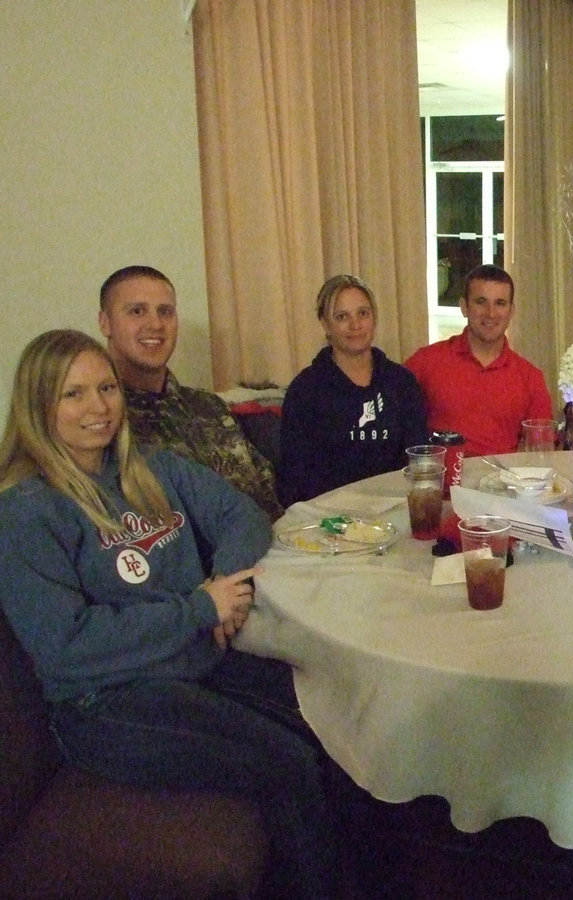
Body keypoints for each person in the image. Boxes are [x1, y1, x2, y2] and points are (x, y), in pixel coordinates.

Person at [0, 330, 336, 898]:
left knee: (330, 712)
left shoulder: (150, 466)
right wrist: (198, 607)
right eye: (73, 394)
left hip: (197, 655)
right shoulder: (27, 511)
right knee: (288, 766)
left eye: (105, 387)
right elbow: (65, 644)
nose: (98, 407)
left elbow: (242, 517)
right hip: (106, 699)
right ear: (38, 407)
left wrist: (225, 585)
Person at [98, 265, 283, 519]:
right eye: (137, 311)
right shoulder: (100, 421)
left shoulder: (209, 407)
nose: (155, 324)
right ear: (105, 323)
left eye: (165, 311)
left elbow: (265, 495)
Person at [278, 274, 428, 506]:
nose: (355, 325)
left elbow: (417, 460)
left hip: (397, 510)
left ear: (374, 318)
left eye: (363, 313)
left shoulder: (401, 382)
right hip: (330, 518)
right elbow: (295, 478)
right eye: (342, 316)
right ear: (325, 324)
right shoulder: (306, 391)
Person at [404, 264, 553, 457]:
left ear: (511, 311)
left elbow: (541, 451)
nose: (490, 313)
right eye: (481, 302)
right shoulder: (425, 362)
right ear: (464, 307)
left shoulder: (530, 377)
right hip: (441, 483)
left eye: (500, 303)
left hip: (505, 483)